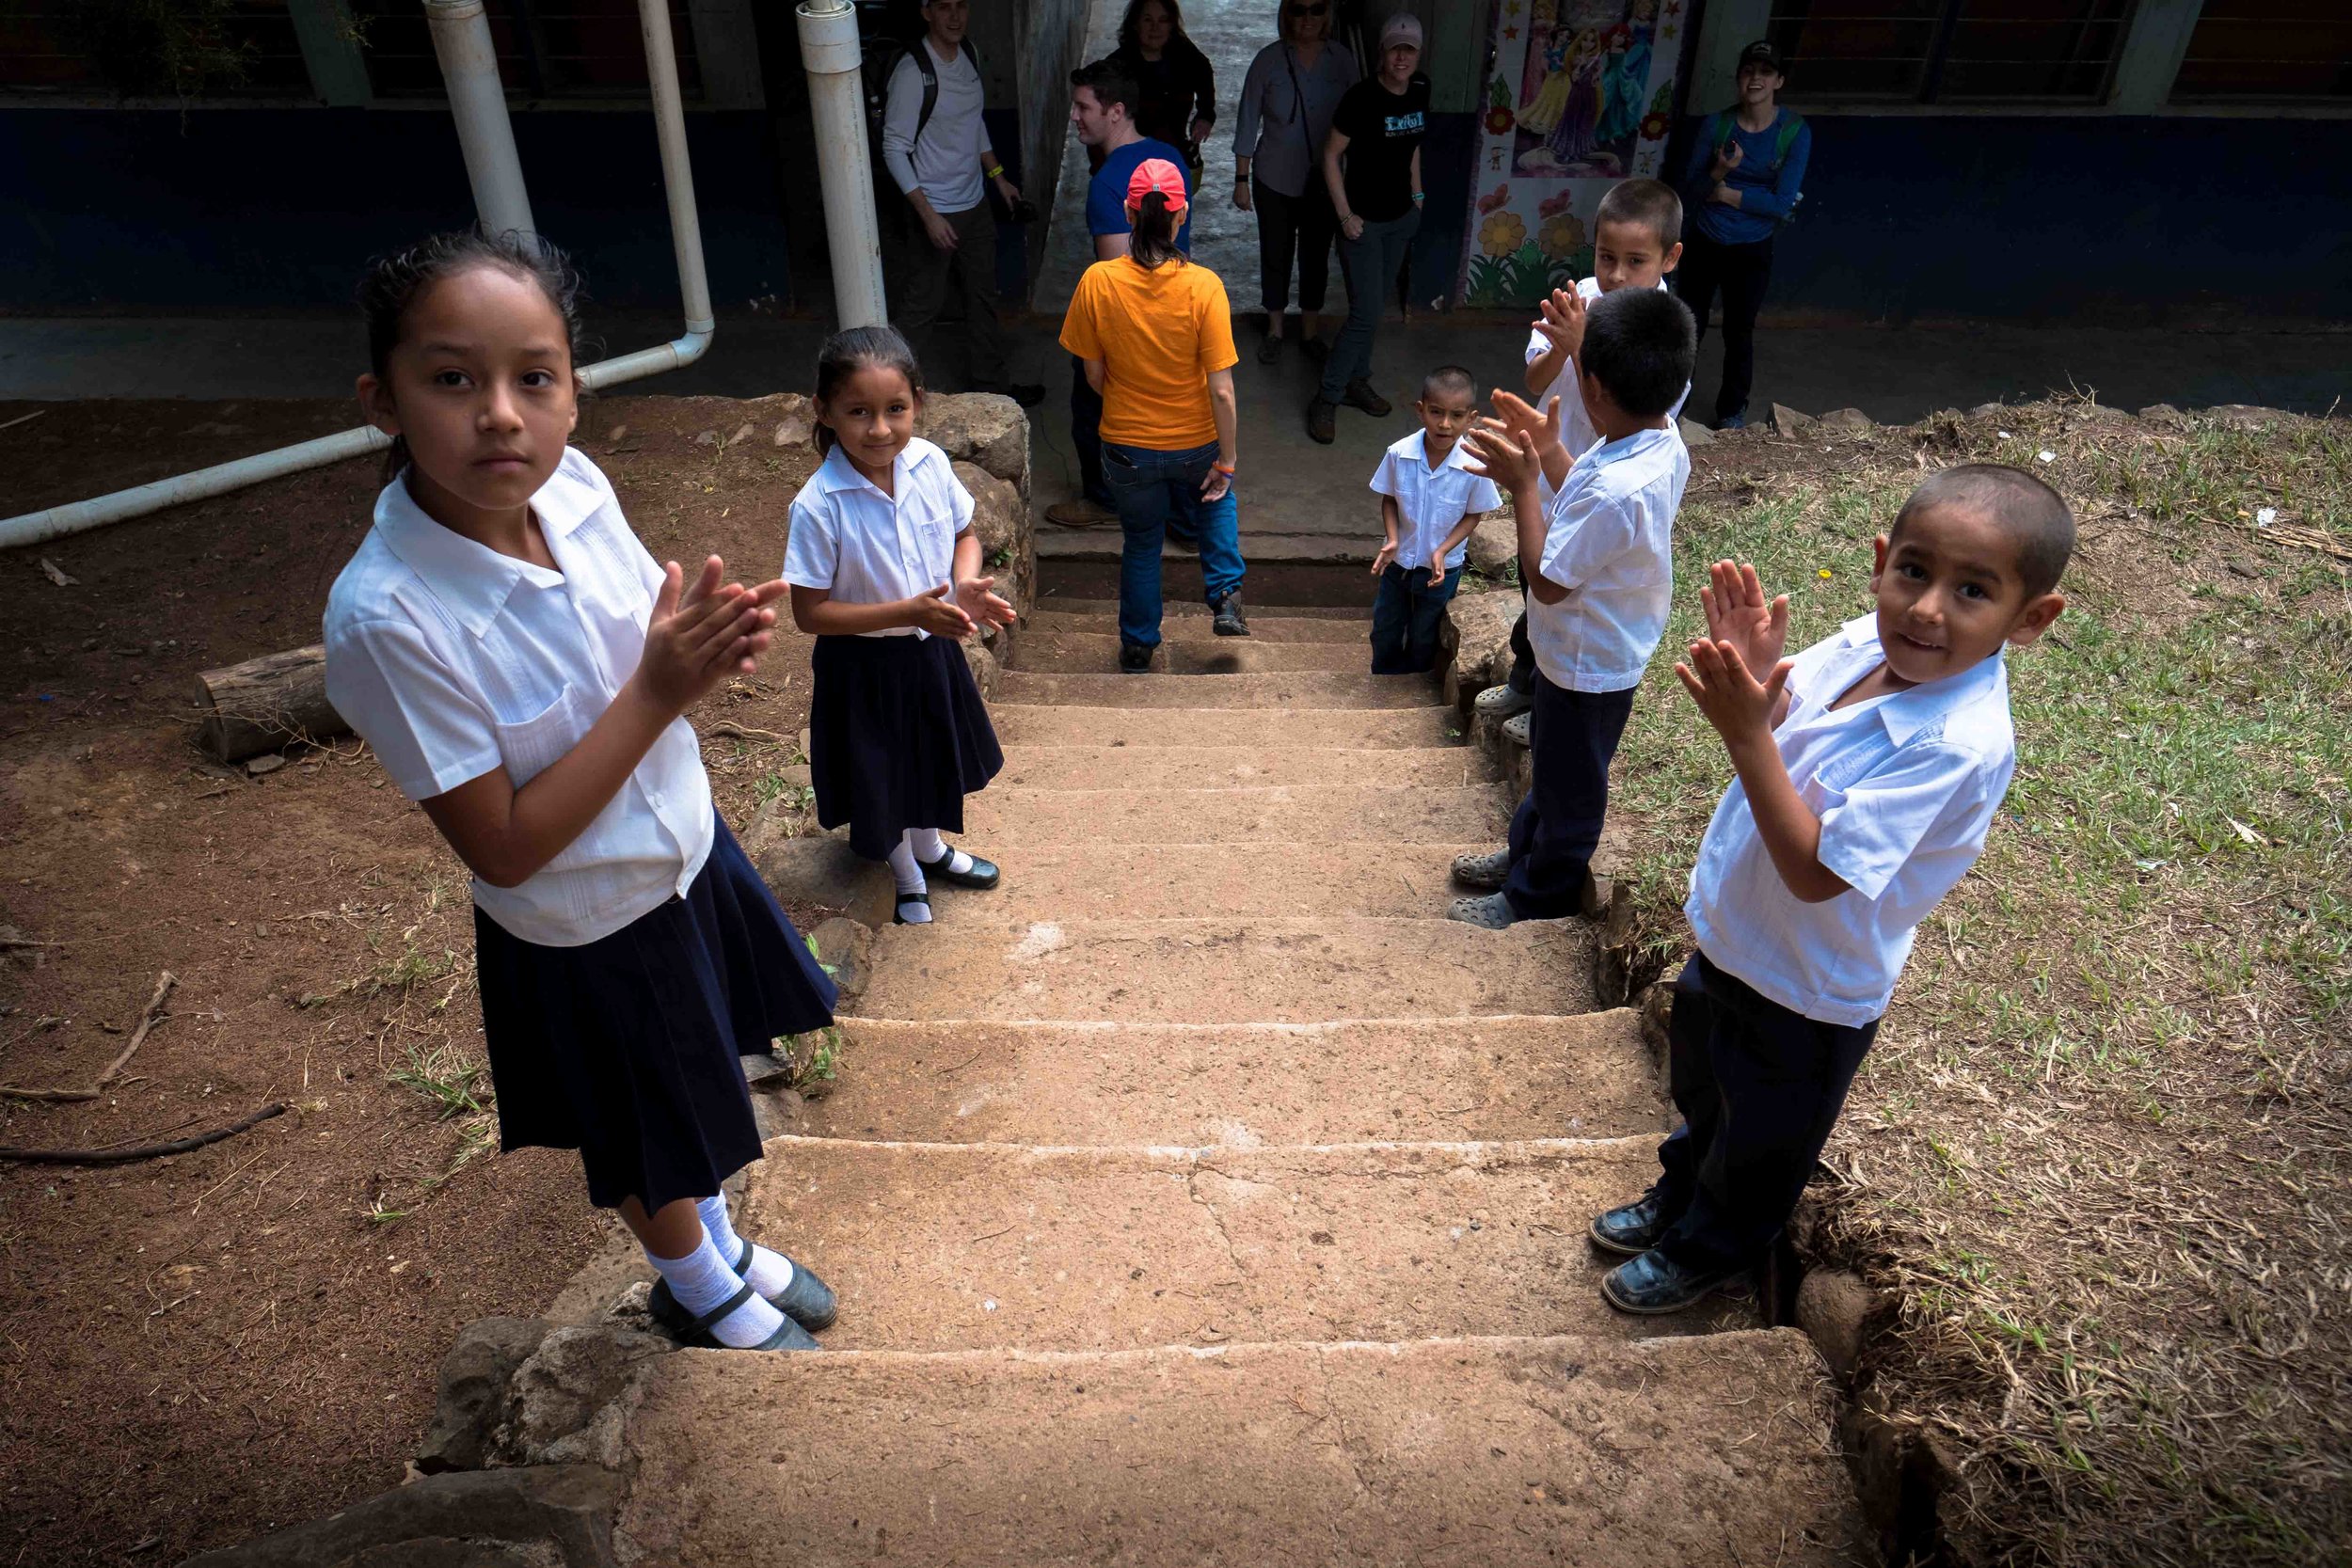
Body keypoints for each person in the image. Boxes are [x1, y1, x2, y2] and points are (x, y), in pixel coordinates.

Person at [325, 230, 839, 1354]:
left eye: (534, 378)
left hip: (684, 850)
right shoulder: (388, 619)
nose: (501, 413)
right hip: (588, 923)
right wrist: (659, 690)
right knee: (651, 1121)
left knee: (696, 1084)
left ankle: (719, 1243)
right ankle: (697, 1279)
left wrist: (689, 649)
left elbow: (631, 650)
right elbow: (504, 846)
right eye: (452, 378)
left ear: (574, 394)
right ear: (383, 399)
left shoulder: (579, 487)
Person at [1594, 467, 2072, 1314]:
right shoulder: (1862, 646)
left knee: (1763, 1140)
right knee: (1704, 1087)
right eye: (1914, 572)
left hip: (1810, 989)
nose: (1927, 609)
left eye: (1972, 591)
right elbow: (1783, 723)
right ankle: (1682, 1190)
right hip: (1737, 935)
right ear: (1881, 561)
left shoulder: (1959, 742)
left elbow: (1816, 871)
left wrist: (1746, 739)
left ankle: (1715, 1245)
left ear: (2030, 619)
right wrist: (1757, 676)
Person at [1448, 287, 1696, 927]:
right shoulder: (1657, 439)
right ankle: (1520, 857)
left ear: (1592, 389)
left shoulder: (1620, 487)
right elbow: (1581, 485)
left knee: (1571, 792)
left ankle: (1538, 893)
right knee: (1555, 773)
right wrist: (1550, 454)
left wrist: (1524, 485)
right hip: (1583, 653)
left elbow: (1548, 581)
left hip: (1588, 664)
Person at [784, 325, 1012, 927]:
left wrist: (964, 584)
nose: (880, 429)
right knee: (880, 773)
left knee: (929, 755)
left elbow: (966, 534)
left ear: (917, 403)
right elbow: (809, 614)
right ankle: (906, 875)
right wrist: (907, 611)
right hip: (859, 665)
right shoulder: (819, 505)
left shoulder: (931, 463)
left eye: (895, 410)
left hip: (927, 648)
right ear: (824, 412)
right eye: (858, 412)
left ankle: (931, 849)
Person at [1481, 177, 1689, 725]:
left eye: (1636, 260)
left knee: (1565, 594)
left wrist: (1580, 350)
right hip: (1555, 475)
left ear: (1670, 258)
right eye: (1606, 256)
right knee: (1534, 592)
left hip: (1597, 489)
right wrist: (1560, 346)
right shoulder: (1580, 298)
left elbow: (1613, 420)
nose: (1617, 275)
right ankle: (1525, 684)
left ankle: (1546, 703)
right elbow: (1532, 378)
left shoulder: (1664, 337)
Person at [1058, 157, 1246, 670]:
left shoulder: (1098, 282)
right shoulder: (1204, 286)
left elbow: (1093, 378)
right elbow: (1222, 392)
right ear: (1181, 214)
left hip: (1126, 447)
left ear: (1128, 211)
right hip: (1195, 443)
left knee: (1142, 542)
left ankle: (1139, 643)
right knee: (1216, 496)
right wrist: (1226, 459)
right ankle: (1226, 593)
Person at [1045, 59, 1196, 531]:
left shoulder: (1108, 184)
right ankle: (1186, 513)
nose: (1075, 116)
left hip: (1136, 322)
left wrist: (1106, 355)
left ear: (1115, 111)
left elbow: (1119, 276)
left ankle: (1107, 499)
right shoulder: (1168, 157)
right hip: (1179, 310)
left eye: (1082, 106)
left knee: (1092, 410)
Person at [879, 0, 1043, 407]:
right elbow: (894, 148)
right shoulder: (913, 73)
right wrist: (929, 216)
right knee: (922, 306)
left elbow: (974, 124)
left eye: (962, 6)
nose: (955, 16)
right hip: (934, 210)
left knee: (983, 297)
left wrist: (998, 179)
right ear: (926, 12)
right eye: (945, 7)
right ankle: (888, 394)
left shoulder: (968, 54)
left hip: (975, 204)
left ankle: (992, 389)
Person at [1308, 12, 1427, 446]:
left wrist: (1417, 196)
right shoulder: (1360, 98)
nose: (1401, 57)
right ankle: (1327, 395)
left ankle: (1357, 380)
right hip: (1362, 224)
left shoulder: (1419, 89)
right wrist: (1344, 215)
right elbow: (1329, 156)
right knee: (1364, 313)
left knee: (1374, 310)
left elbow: (1412, 145)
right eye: (1394, 48)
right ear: (1382, 51)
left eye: (1409, 49)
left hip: (1399, 220)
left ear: (1417, 53)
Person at [1677, 40, 1810, 430]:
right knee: (1688, 325)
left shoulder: (1794, 133)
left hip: (1751, 248)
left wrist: (1726, 193)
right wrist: (1719, 171)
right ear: (1739, 78)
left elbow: (1782, 203)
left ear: (1779, 81)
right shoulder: (1716, 125)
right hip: (1705, 239)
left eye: (1765, 72)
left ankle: (1732, 413)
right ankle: (1673, 404)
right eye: (1749, 71)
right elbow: (1690, 188)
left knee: (1740, 330)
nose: (1756, 79)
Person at [1232, 0, 1359, 364]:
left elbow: (1360, 117)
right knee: (1275, 252)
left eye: (1316, 9)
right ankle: (1274, 329)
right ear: (1286, 15)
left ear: (1327, 15)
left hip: (1325, 180)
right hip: (1273, 176)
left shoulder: (1342, 61)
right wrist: (1241, 178)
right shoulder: (1267, 61)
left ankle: (1309, 331)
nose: (1307, 19)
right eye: (1298, 10)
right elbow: (1246, 119)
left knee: (1316, 255)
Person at [1365, 365, 1499, 674]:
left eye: (1456, 416)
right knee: (1385, 627)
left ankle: (1415, 682)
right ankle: (1382, 678)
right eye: (1436, 412)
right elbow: (1389, 499)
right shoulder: (1399, 453)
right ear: (1420, 411)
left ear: (1471, 418)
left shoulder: (1474, 466)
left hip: (1442, 569)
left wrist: (1442, 549)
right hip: (1397, 564)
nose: (1445, 424)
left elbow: (1473, 514)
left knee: (1425, 633)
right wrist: (1393, 538)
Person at [1107, 0, 1216, 176]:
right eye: (1148, 20)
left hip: (1172, 155)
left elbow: (1204, 72)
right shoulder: (1117, 66)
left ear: (1171, 26)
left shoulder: (1185, 56)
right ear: (1135, 25)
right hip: (1129, 161)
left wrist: (1205, 114)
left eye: (1163, 20)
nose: (1155, 28)